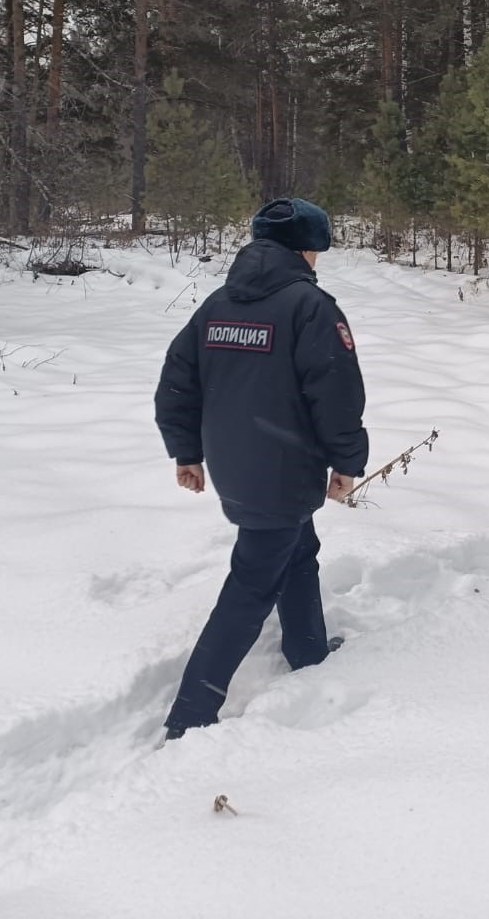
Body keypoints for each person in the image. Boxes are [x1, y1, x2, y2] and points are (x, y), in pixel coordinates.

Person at [153, 197, 367, 741]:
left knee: (298, 550)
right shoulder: (310, 307)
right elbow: (337, 395)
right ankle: (191, 713)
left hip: (236, 463)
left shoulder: (219, 303)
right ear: (306, 249)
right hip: (284, 467)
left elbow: (177, 383)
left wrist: (188, 453)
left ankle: (309, 652)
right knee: (251, 584)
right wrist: (347, 461)